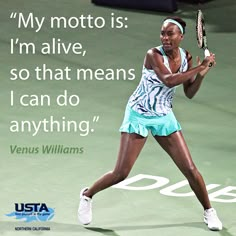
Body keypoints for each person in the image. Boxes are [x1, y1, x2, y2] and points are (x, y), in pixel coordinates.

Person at [78, 16, 223, 231]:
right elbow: (169, 80)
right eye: (163, 33)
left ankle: (209, 211)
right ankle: (87, 195)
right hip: (139, 114)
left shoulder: (186, 57)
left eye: (170, 33)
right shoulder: (153, 55)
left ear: (181, 37)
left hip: (164, 115)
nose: (165, 37)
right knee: (121, 173)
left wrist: (203, 71)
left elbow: (189, 92)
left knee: (190, 169)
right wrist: (201, 65)